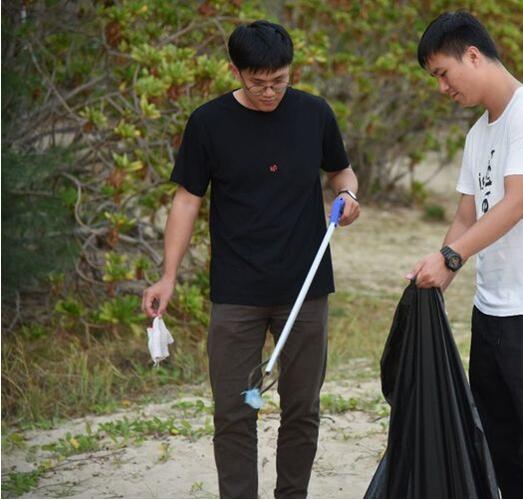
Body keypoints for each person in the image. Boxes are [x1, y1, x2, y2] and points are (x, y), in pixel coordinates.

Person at [141, 21, 360, 499]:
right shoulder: (208, 122)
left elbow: (342, 172)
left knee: (302, 408)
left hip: (305, 287)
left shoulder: (314, 113)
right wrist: (168, 276)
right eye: (257, 81)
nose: (269, 91)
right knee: (234, 412)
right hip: (237, 290)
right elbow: (186, 200)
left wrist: (347, 197)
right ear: (235, 70)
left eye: (279, 80)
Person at [407, 11, 523, 498]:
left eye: (443, 73)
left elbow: (516, 203)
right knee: (498, 440)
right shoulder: (478, 134)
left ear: (472, 54)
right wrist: (440, 271)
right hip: (494, 308)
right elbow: (467, 216)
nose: (442, 88)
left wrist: (450, 258)